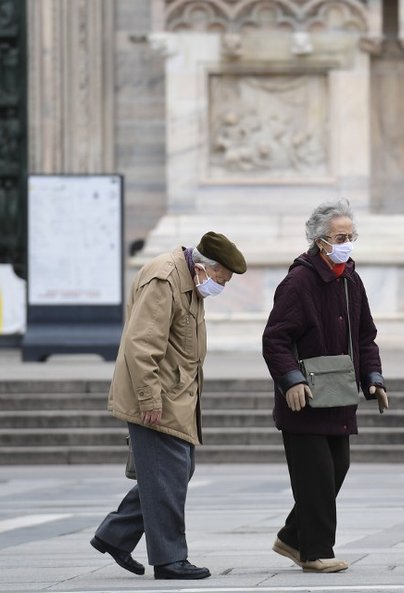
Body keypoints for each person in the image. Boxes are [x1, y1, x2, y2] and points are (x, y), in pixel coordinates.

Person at [91, 232, 247, 580]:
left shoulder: (189, 278)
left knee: (172, 473)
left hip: (175, 396)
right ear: (207, 268)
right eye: (222, 279)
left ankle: (115, 535)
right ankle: (170, 560)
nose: (221, 287)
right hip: (156, 398)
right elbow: (141, 343)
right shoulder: (165, 278)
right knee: (168, 475)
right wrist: (148, 398)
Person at [262, 199, 388, 573]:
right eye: (340, 237)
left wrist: (374, 378)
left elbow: (366, 336)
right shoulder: (298, 281)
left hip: (339, 394)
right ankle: (313, 551)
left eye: (351, 236)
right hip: (305, 398)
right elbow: (275, 339)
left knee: (337, 467)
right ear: (321, 241)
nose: (347, 243)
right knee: (315, 475)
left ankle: (290, 536)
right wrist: (290, 380)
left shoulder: (350, 278)